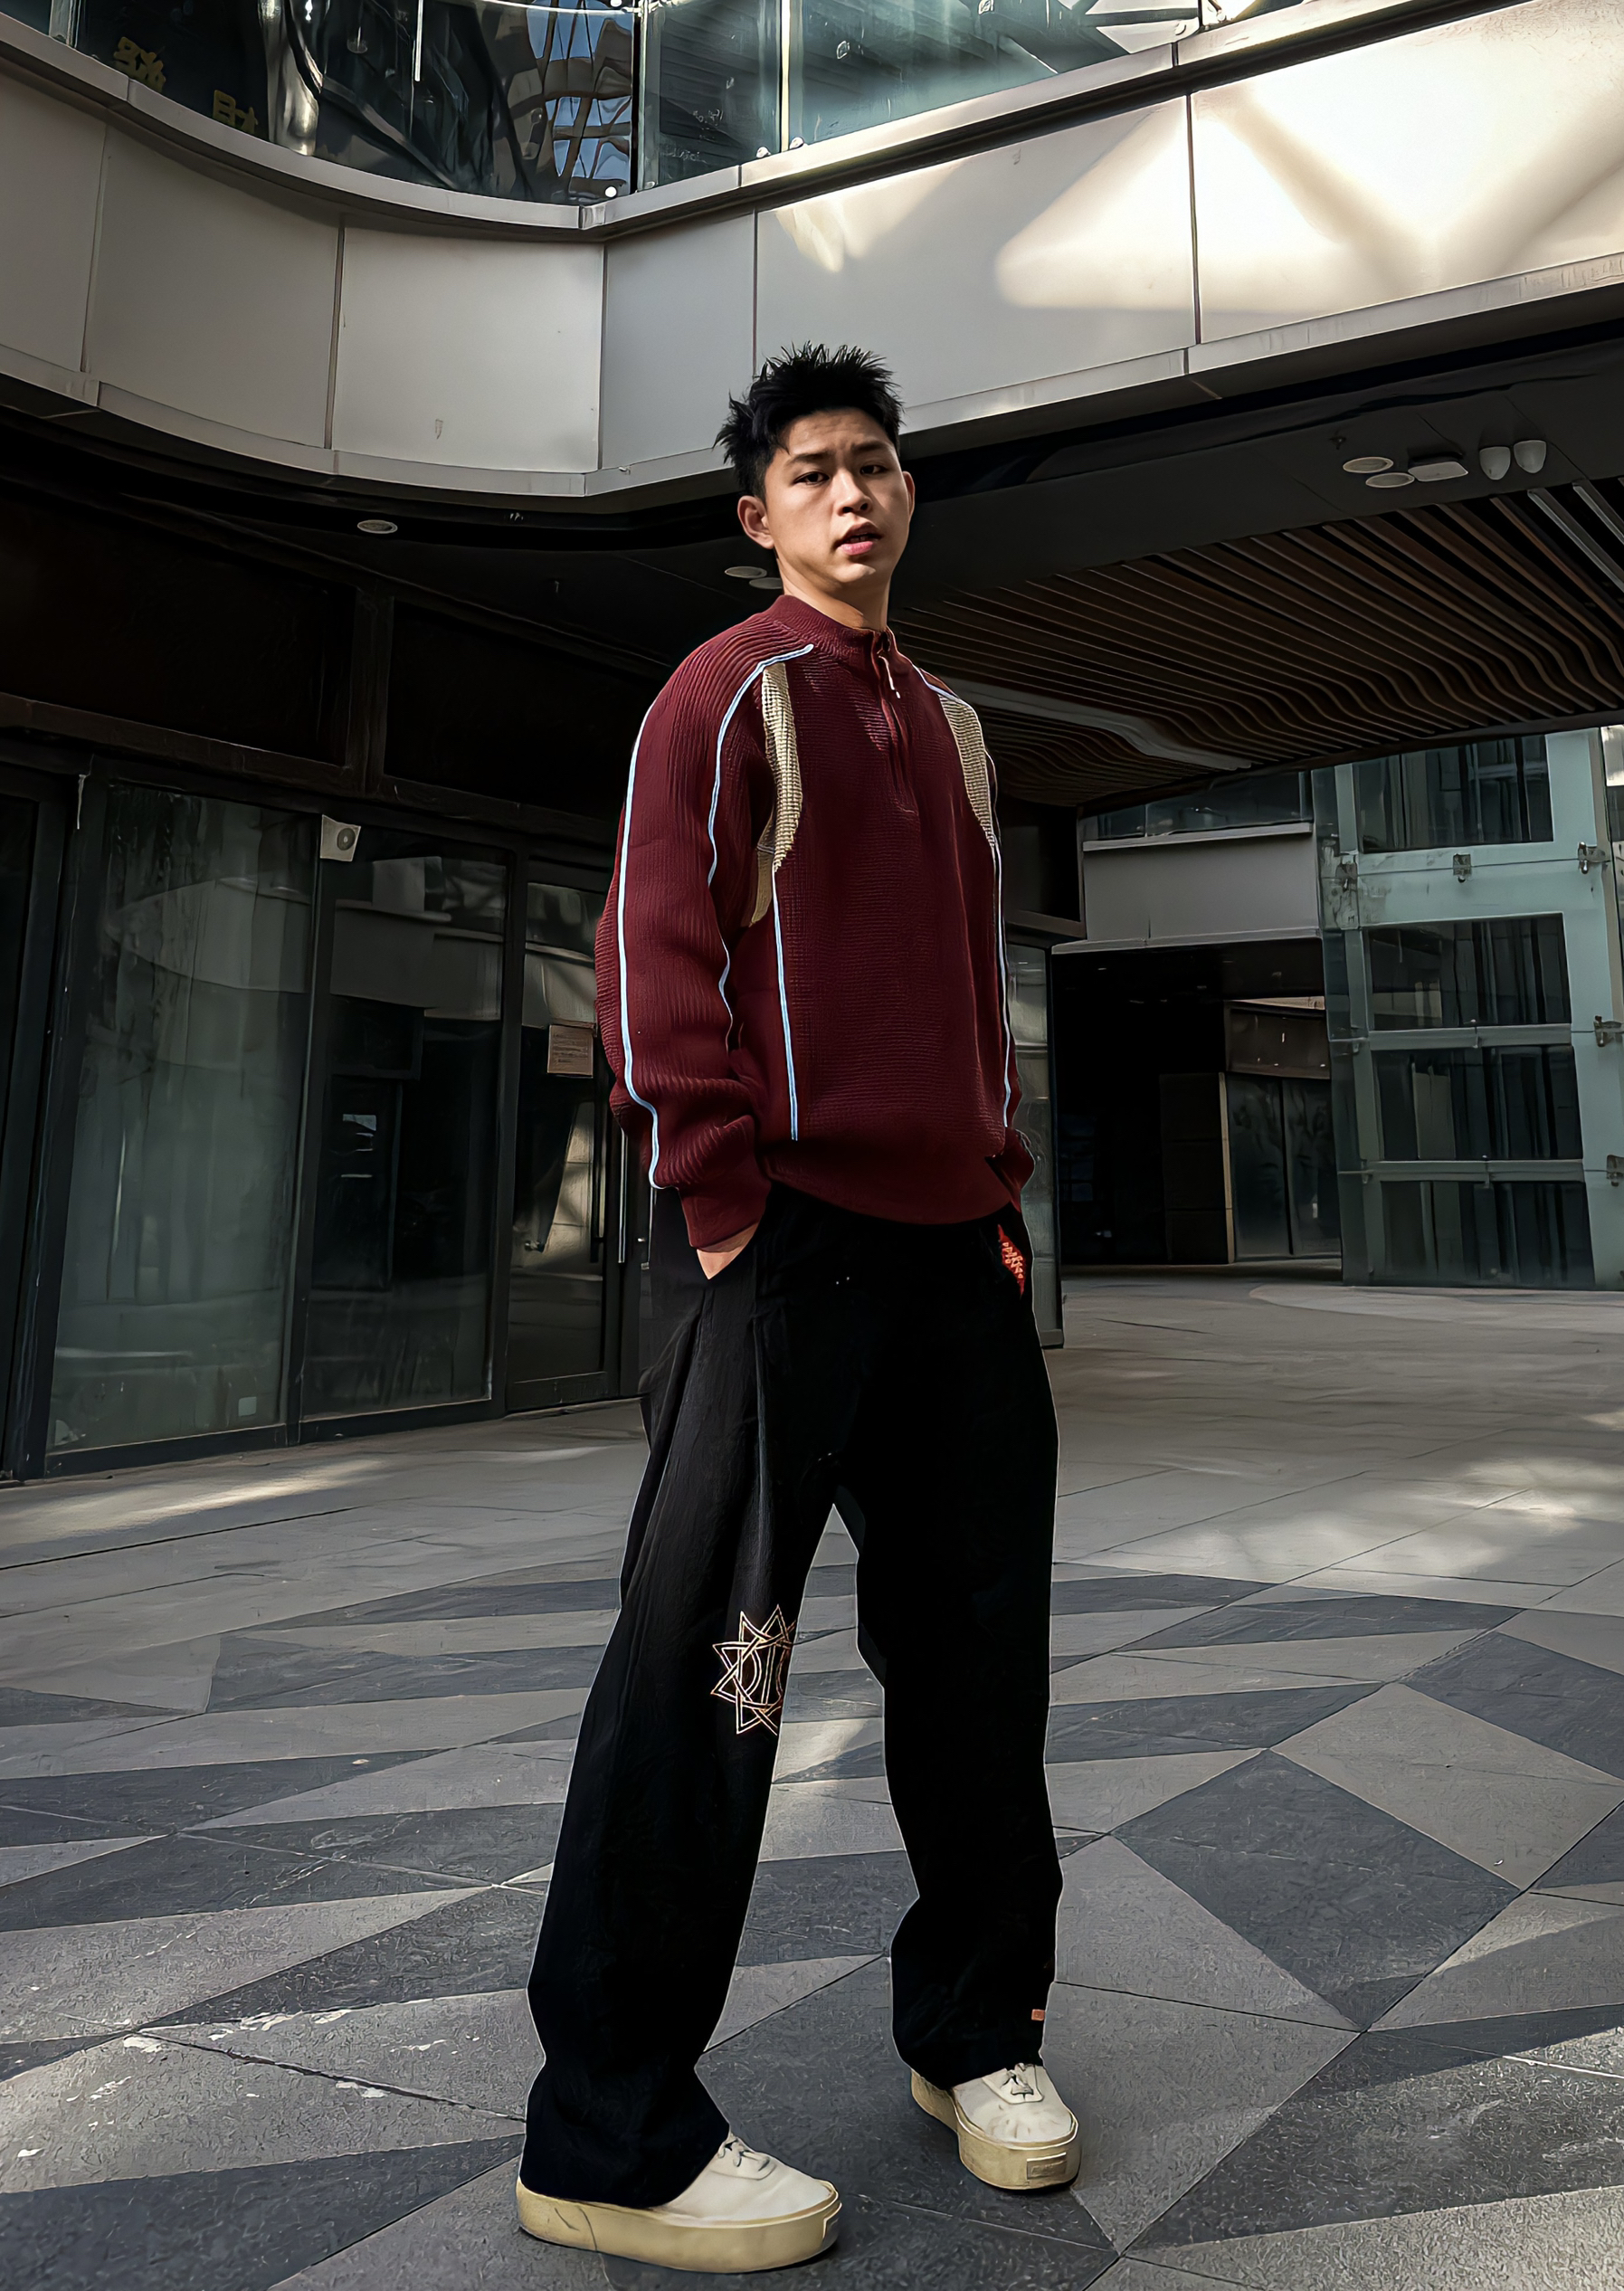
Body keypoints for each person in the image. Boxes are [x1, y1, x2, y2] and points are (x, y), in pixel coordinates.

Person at [517, 342, 1075, 2274]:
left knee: (980, 1668)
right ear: (759, 516)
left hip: (952, 1258)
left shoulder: (955, 726)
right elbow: (654, 958)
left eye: (878, 464)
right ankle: (609, 2131)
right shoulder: (721, 693)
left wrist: (996, 1194)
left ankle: (974, 2033)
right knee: (707, 1672)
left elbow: (968, 988)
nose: (854, 493)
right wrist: (723, 1210)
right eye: (815, 471)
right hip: (779, 1253)